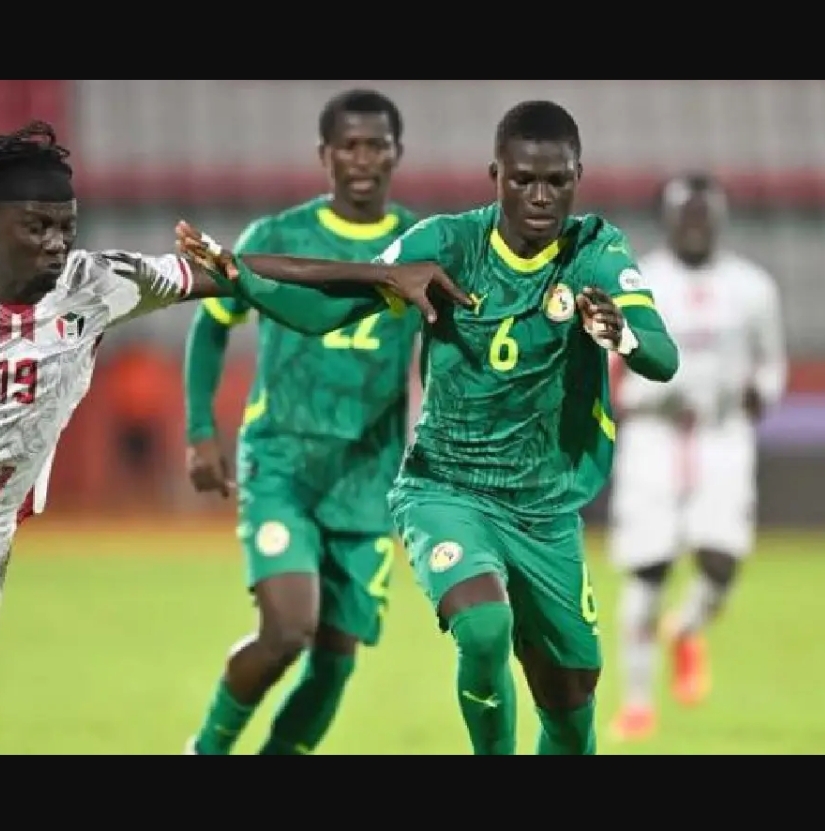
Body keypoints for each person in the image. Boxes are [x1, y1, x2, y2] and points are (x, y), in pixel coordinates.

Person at [0, 121, 459, 756]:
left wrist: (379, 275)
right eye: (38, 227)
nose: (56, 243)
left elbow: (239, 278)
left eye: (67, 226)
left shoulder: (99, 283)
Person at [178, 99, 681, 755]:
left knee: (569, 703)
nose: (540, 196)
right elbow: (324, 311)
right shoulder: (446, 244)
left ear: (577, 177)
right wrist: (240, 276)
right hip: (446, 487)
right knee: (482, 628)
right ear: (495, 175)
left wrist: (622, 336)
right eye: (523, 179)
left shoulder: (595, 250)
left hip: (544, 508)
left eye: (556, 181)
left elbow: (662, 356)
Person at [181, 90, 422, 756]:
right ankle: (205, 749)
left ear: (397, 153)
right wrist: (200, 430)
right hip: (282, 464)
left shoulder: (421, 244)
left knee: (335, 662)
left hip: (369, 478)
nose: (363, 159)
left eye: (377, 145)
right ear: (325, 154)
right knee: (288, 629)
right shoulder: (276, 238)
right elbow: (211, 326)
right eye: (349, 145)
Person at [607, 173, 787, 742]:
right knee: (649, 569)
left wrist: (761, 394)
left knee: (721, 562)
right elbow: (610, 362)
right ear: (667, 219)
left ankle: (685, 628)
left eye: (704, 217)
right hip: (653, 438)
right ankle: (637, 704)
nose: (695, 227)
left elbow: (772, 363)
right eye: (685, 216)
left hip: (721, 435)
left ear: (719, 220)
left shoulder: (752, 287)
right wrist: (631, 398)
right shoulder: (639, 282)